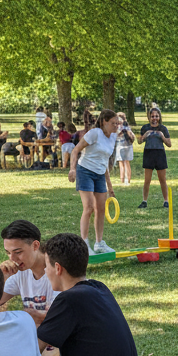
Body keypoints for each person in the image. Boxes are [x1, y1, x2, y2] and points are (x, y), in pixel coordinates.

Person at [69, 109, 119, 255]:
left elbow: (104, 162)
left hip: (99, 175)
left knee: (101, 208)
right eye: (113, 123)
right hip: (84, 171)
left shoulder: (113, 137)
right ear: (104, 122)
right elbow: (75, 150)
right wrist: (72, 169)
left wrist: (110, 187)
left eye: (117, 123)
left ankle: (99, 243)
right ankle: (84, 243)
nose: (116, 126)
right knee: (89, 207)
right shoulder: (94, 133)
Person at [0, 219, 56, 324]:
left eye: (18, 252)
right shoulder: (19, 272)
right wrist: (1, 278)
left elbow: (66, 316)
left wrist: (33, 318)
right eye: (8, 253)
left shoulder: (57, 271)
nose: (12, 258)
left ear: (35, 246)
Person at [138, 107, 172, 209]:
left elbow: (169, 144)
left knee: (162, 179)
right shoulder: (145, 128)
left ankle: (166, 201)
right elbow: (139, 141)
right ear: (149, 117)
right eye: (152, 116)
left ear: (159, 117)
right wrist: (144, 136)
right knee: (147, 180)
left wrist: (162, 136)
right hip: (148, 153)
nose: (154, 118)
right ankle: (144, 201)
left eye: (156, 116)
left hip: (160, 154)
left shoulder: (163, 128)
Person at [114, 112, 135, 186]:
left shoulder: (117, 127)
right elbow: (133, 136)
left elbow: (114, 137)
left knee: (121, 164)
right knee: (127, 163)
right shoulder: (127, 127)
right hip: (129, 146)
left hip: (120, 146)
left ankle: (122, 180)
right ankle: (128, 180)